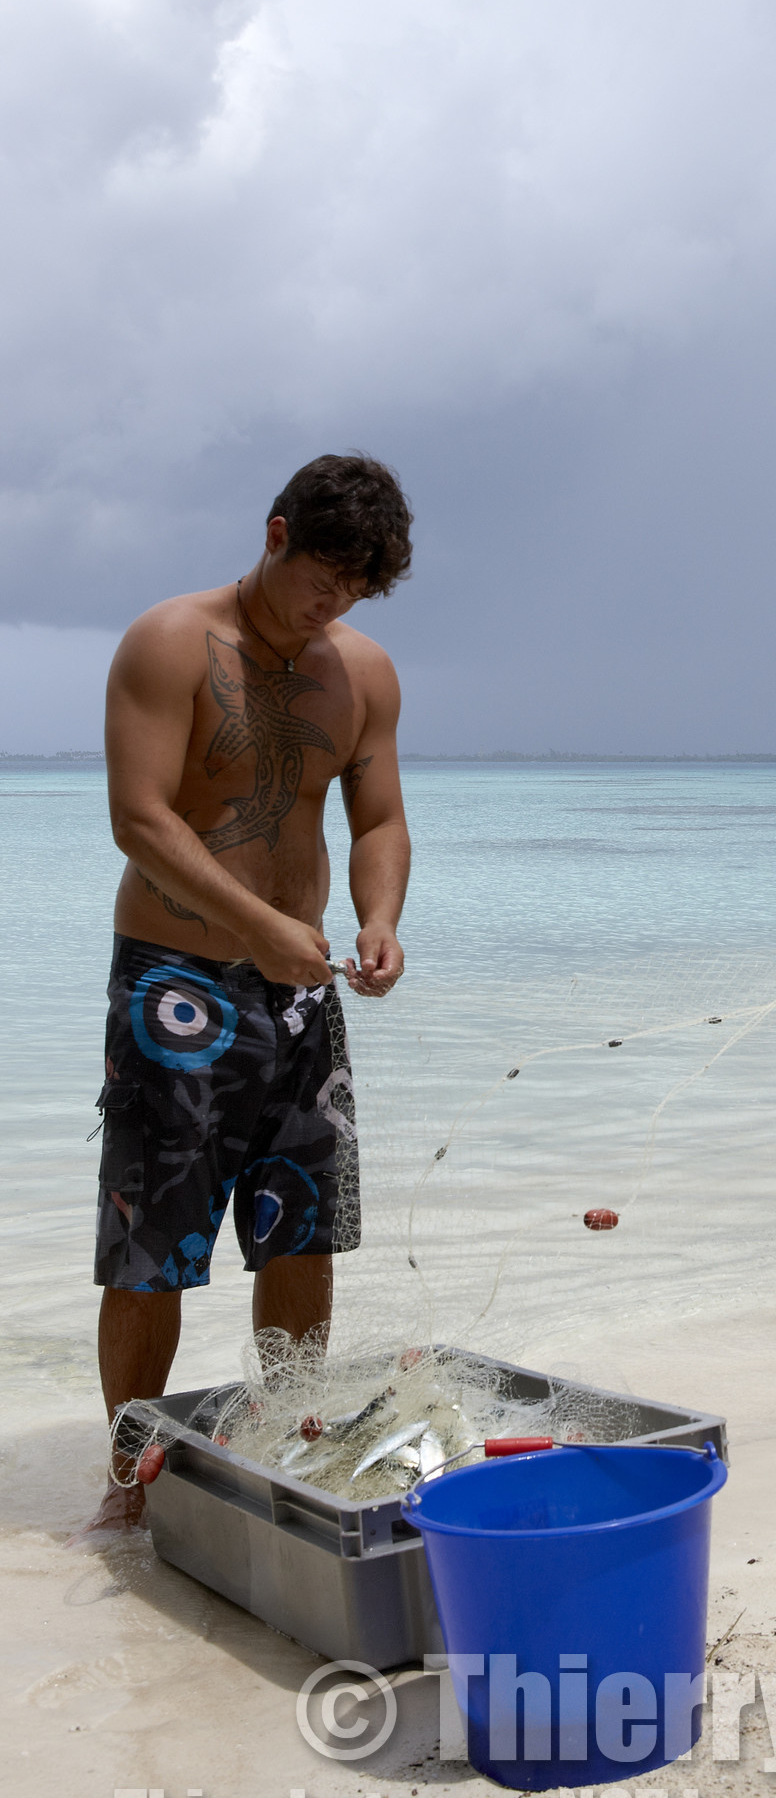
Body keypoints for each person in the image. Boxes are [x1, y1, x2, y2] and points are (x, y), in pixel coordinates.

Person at [81, 453, 414, 1532]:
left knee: (303, 1230)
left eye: (357, 589)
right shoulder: (170, 642)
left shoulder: (361, 671)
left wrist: (376, 920)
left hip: (302, 987)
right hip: (176, 983)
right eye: (325, 576)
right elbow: (141, 819)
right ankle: (134, 1479)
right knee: (154, 1242)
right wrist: (259, 929)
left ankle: (287, 1449)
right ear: (276, 535)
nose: (336, 604)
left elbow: (376, 820)